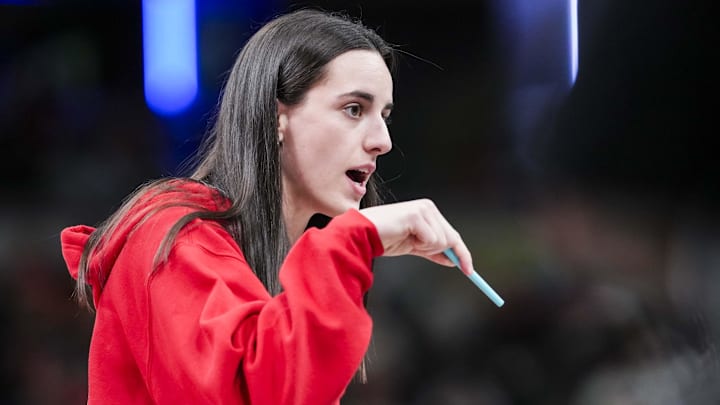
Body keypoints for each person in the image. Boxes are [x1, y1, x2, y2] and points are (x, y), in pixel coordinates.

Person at [60, 8, 475, 404]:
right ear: (278, 117)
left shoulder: (283, 256)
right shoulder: (173, 235)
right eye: (354, 109)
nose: (382, 140)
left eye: (384, 115)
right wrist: (352, 241)